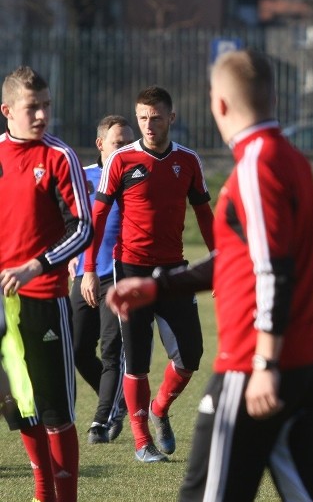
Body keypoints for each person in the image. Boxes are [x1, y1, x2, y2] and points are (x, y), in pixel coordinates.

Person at [106, 49, 313, 500]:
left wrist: (265, 363)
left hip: (254, 366)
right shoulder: (294, 160)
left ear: (221, 104)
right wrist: (158, 285)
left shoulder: (256, 166)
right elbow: (239, 257)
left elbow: (272, 270)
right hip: (306, 362)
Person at [82, 86, 215, 463]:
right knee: (136, 359)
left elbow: (205, 214)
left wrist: (221, 261)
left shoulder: (187, 161)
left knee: (191, 355)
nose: (148, 124)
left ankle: (159, 409)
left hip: (174, 272)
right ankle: (142, 442)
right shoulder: (121, 160)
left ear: (171, 118)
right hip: (129, 270)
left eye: (156, 117)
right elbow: (98, 217)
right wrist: (91, 269)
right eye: (142, 117)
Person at [0, 65, 93, 502]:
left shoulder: (60, 157)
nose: (41, 116)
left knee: (56, 411)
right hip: (3, 309)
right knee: (20, 405)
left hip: (45, 299)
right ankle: (42, 492)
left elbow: (83, 228)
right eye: (31, 108)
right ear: (7, 111)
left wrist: (35, 267)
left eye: (46, 106)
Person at [68, 115, 134, 444]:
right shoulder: (82, 177)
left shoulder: (138, 178)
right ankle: (117, 401)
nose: (126, 149)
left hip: (120, 275)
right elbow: (68, 221)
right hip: (84, 276)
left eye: (129, 143)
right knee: (78, 349)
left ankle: (101, 420)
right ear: (100, 145)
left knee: (112, 350)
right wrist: (69, 258)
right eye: (118, 143)